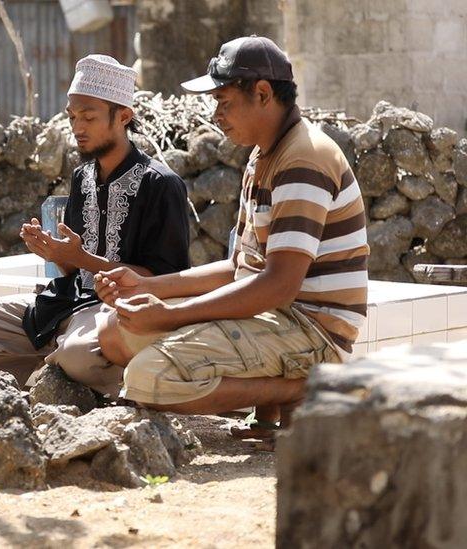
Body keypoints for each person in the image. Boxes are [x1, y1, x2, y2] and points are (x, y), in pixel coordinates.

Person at [95, 36, 368, 446]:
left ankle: (301, 388)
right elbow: (240, 267)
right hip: (274, 318)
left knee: (147, 378)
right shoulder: (264, 155)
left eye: (223, 102)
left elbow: (279, 286)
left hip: (313, 333)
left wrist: (169, 315)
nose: (217, 115)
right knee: (117, 330)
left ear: (262, 94)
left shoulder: (303, 159)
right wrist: (147, 288)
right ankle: (272, 406)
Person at [0, 54, 191, 392]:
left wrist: (81, 258)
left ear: (124, 116)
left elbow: (165, 281)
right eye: (72, 116)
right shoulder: (81, 176)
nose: (77, 127)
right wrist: (55, 255)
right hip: (66, 305)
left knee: (78, 356)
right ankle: (54, 371)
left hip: (117, 316)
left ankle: (62, 369)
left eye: (88, 117)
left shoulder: (161, 184)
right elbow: (73, 272)